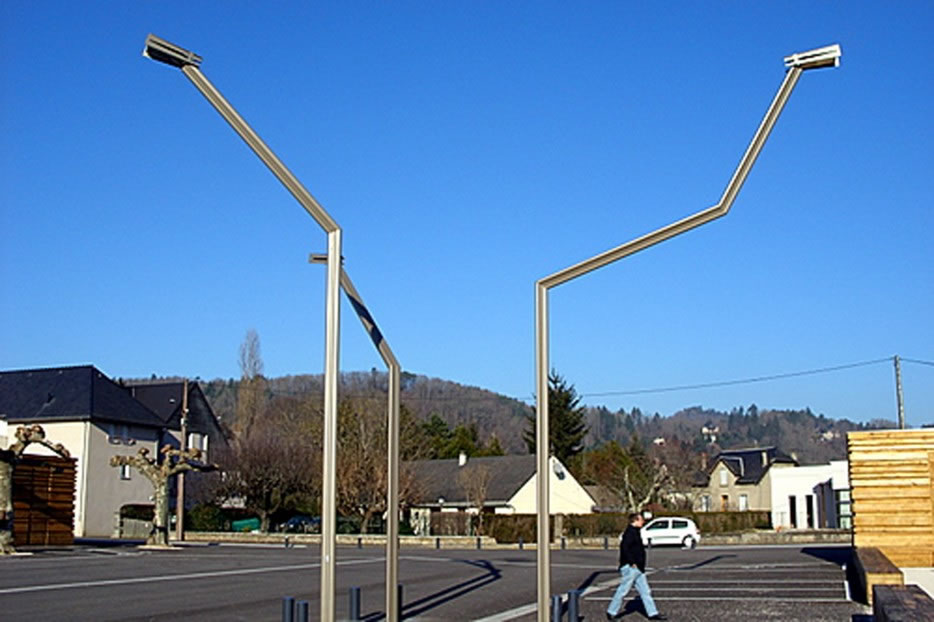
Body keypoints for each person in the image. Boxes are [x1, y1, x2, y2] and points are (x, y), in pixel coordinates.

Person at [606, 512, 667, 620]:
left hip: (638, 568)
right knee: (623, 590)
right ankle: (611, 611)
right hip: (631, 568)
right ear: (635, 520)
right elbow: (625, 548)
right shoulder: (629, 533)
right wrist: (631, 562)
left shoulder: (635, 532)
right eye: (641, 520)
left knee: (645, 591)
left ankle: (652, 613)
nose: (643, 521)